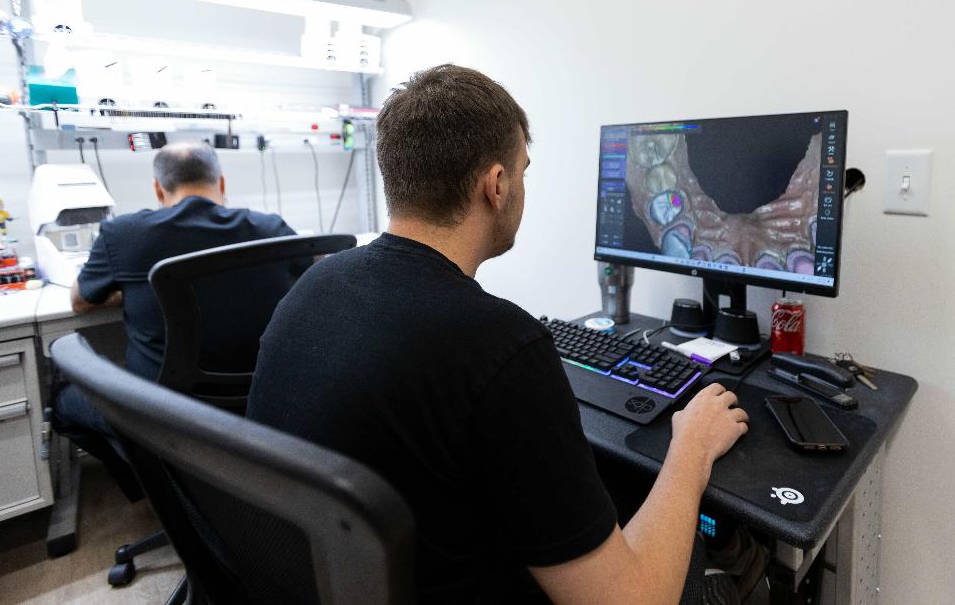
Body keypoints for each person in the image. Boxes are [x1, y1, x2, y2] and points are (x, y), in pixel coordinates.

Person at [247, 65, 749, 604]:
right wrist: (691, 449)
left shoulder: (313, 285)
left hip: (328, 584)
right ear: (497, 185)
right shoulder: (501, 345)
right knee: (700, 532)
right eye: (523, 172)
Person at [56, 141, 308, 435]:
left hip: (163, 411)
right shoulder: (270, 229)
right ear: (221, 182)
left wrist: (138, 289)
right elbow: (311, 276)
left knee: (62, 396)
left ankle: (139, 470)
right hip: (259, 398)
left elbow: (80, 301)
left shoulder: (124, 234)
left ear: (158, 189)